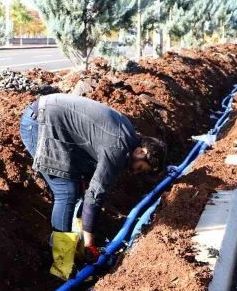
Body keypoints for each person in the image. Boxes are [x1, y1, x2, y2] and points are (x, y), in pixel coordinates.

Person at [20, 93, 165, 278]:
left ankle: (76, 245)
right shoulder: (118, 147)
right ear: (141, 152)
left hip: (54, 122)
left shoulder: (127, 137)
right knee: (66, 192)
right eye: (141, 168)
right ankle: (62, 265)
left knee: (77, 183)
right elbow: (96, 194)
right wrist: (90, 243)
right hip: (40, 124)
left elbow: (92, 184)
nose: (136, 172)